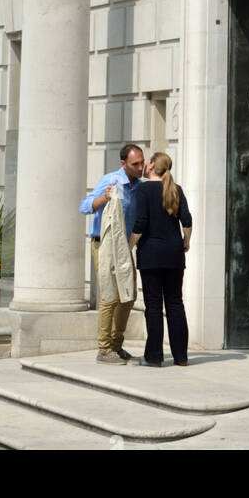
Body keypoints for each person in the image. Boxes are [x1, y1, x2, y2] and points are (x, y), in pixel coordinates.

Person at [79, 143, 144, 363]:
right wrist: (104, 198)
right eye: (135, 164)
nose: (140, 167)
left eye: (142, 162)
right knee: (110, 296)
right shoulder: (110, 181)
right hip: (104, 245)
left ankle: (117, 346)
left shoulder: (140, 186)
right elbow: (85, 206)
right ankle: (104, 349)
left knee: (129, 296)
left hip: (124, 248)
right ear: (123, 164)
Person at [129, 152, 192, 367]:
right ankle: (181, 357)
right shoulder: (177, 189)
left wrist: (128, 247)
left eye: (148, 162)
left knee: (154, 306)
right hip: (174, 254)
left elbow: (141, 224)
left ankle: (154, 357)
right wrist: (186, 242)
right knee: (175, 303)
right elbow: (187, 220)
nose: (145, 165)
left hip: (151, 255)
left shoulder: (144, 189)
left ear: (153, 164)